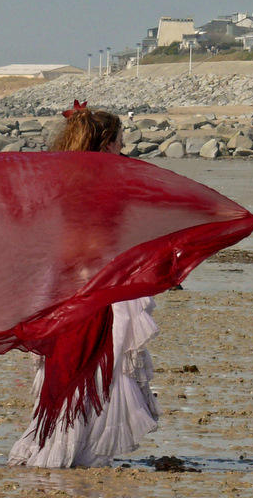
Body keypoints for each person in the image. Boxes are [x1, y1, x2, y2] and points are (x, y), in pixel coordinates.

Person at [8, 103, 160, 467]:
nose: (124, 147)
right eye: (121, 140)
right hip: (94, 284)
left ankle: (58, 443)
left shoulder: (63, 179)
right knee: (89, 360)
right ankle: (69, 449)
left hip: (63, 284)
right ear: (106, 143)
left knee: (71, 362)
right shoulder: (104, 183)